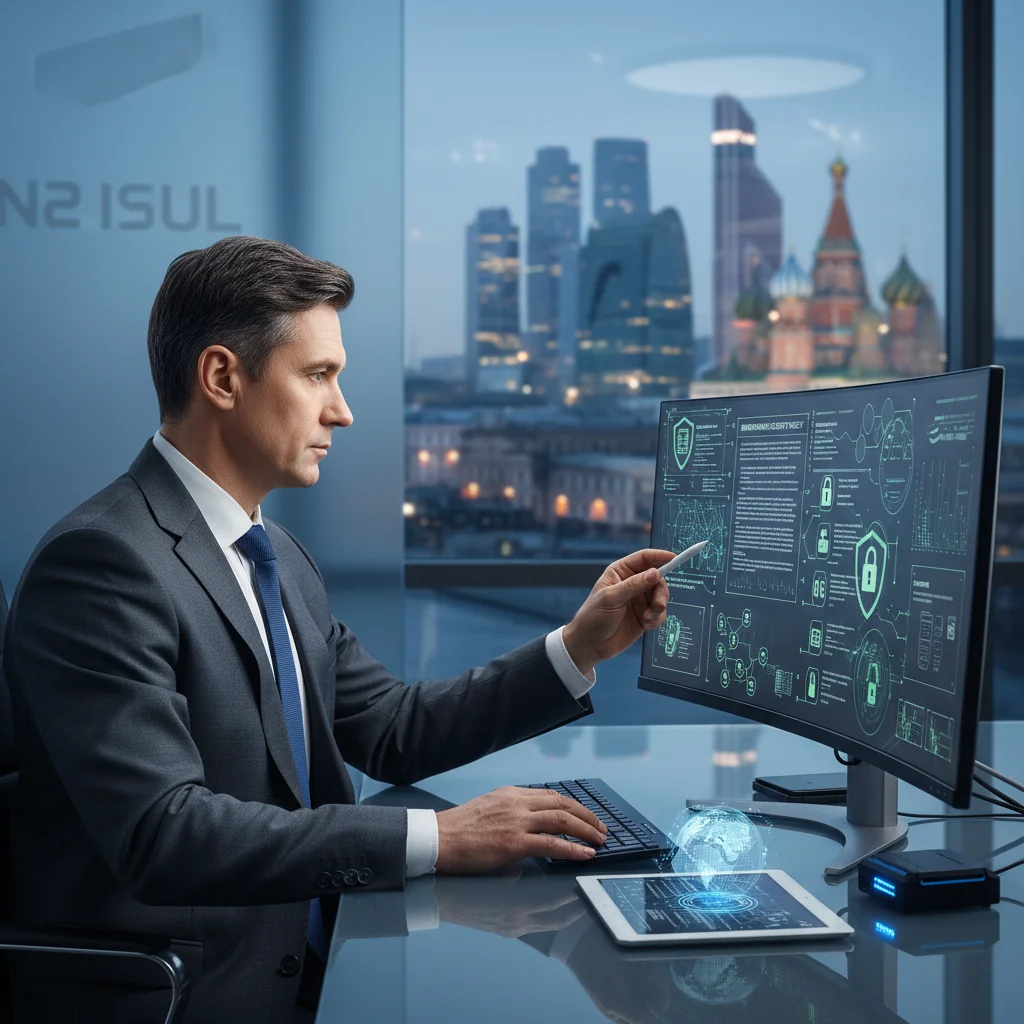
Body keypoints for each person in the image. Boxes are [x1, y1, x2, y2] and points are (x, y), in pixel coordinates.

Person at [3, 236, 672, 1020]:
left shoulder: (275, 554)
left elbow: (390, 728)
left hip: (320, 951)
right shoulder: (103, 563)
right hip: (191, 994)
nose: (342, 411)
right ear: (222, 376)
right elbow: (165, 833)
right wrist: (438, 839)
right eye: (318, 375)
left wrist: (578, 647)